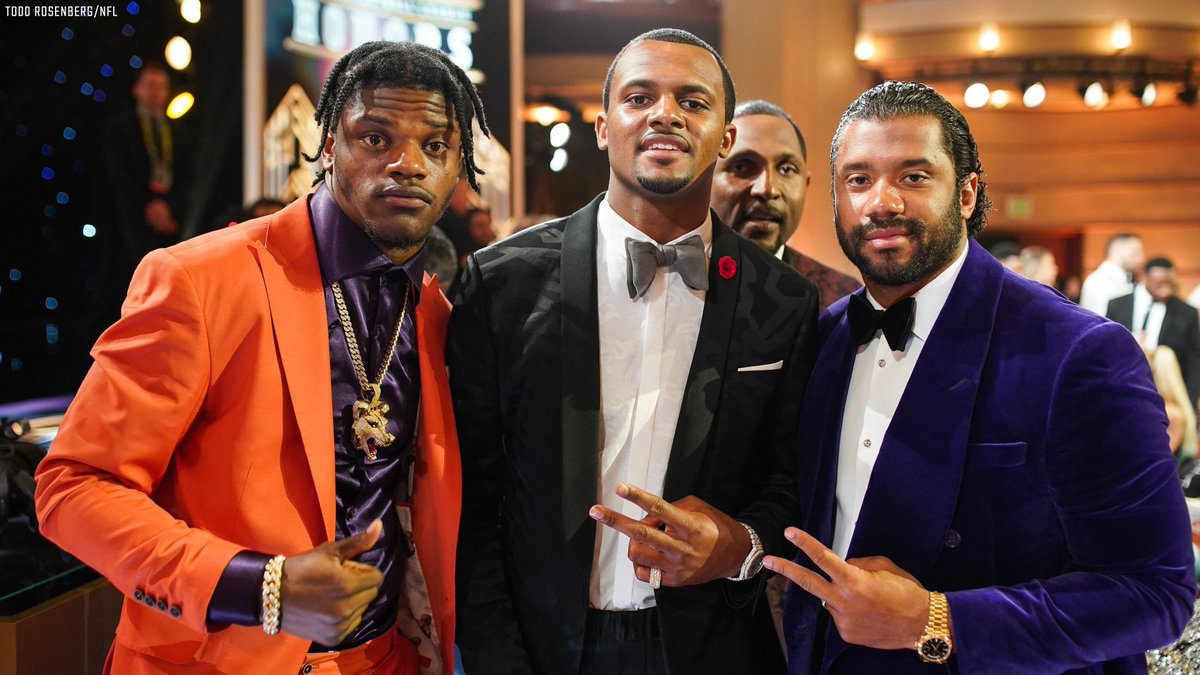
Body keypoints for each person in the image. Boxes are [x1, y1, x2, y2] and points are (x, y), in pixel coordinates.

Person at [34, 41, 487, 674]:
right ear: (328, 145)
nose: (408, 164)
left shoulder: (435, 310)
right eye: (375, 138)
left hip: (386, 659)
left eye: (435, 146)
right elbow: (75, 485)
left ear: (459, 165)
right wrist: (259, 587)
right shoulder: (202, 279)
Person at [767, 81, 1194, 674]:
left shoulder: (1079, 352)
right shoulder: (826, 338)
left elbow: (1155, 592)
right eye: (858, 179)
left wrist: (935, 620)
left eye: (914, 177)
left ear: (966, 194)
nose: (881, 202)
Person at [449, 28, 818, 675]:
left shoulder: (784, 299)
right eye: (640, 97)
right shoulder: (502, 281)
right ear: (602, 126)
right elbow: (474, 496)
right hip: (542, 647)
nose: (665, 114)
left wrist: (740, 544)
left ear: (725, 138)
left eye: (692, 102)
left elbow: (789, 479)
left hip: (713, 649)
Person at [712, 99, 860, 313]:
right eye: (742, 167)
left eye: (786, 169)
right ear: (706, 179)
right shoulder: (675, 280)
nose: (767, 189)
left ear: (806, 184)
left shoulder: (841, 300)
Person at [103, 62, 193, 279]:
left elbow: (187, 176)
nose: (155, 92)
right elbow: (119, 174)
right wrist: (150, 207)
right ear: (137, 89)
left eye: (161, 87)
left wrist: (168, 207)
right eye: (150, 86)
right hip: (134, 213)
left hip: (170, 215)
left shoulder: (177, 131)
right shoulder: (120, 128)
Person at [1107, 257, 1200, 409]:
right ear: (1145, 277)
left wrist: (1190, 402)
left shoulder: (1186, 312)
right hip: (1124, 385)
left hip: (1167, 394)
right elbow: (1108, 347)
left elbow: (1194, 359)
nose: (1166, 289)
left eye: (1170, 283)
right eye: (1159, 283)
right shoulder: (1117, 305)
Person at [1079, 232, 1145, 315]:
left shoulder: (1126, 280)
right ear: (1117, 250)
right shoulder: (1098, 282)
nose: (1141, 258)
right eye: (1135, 252)